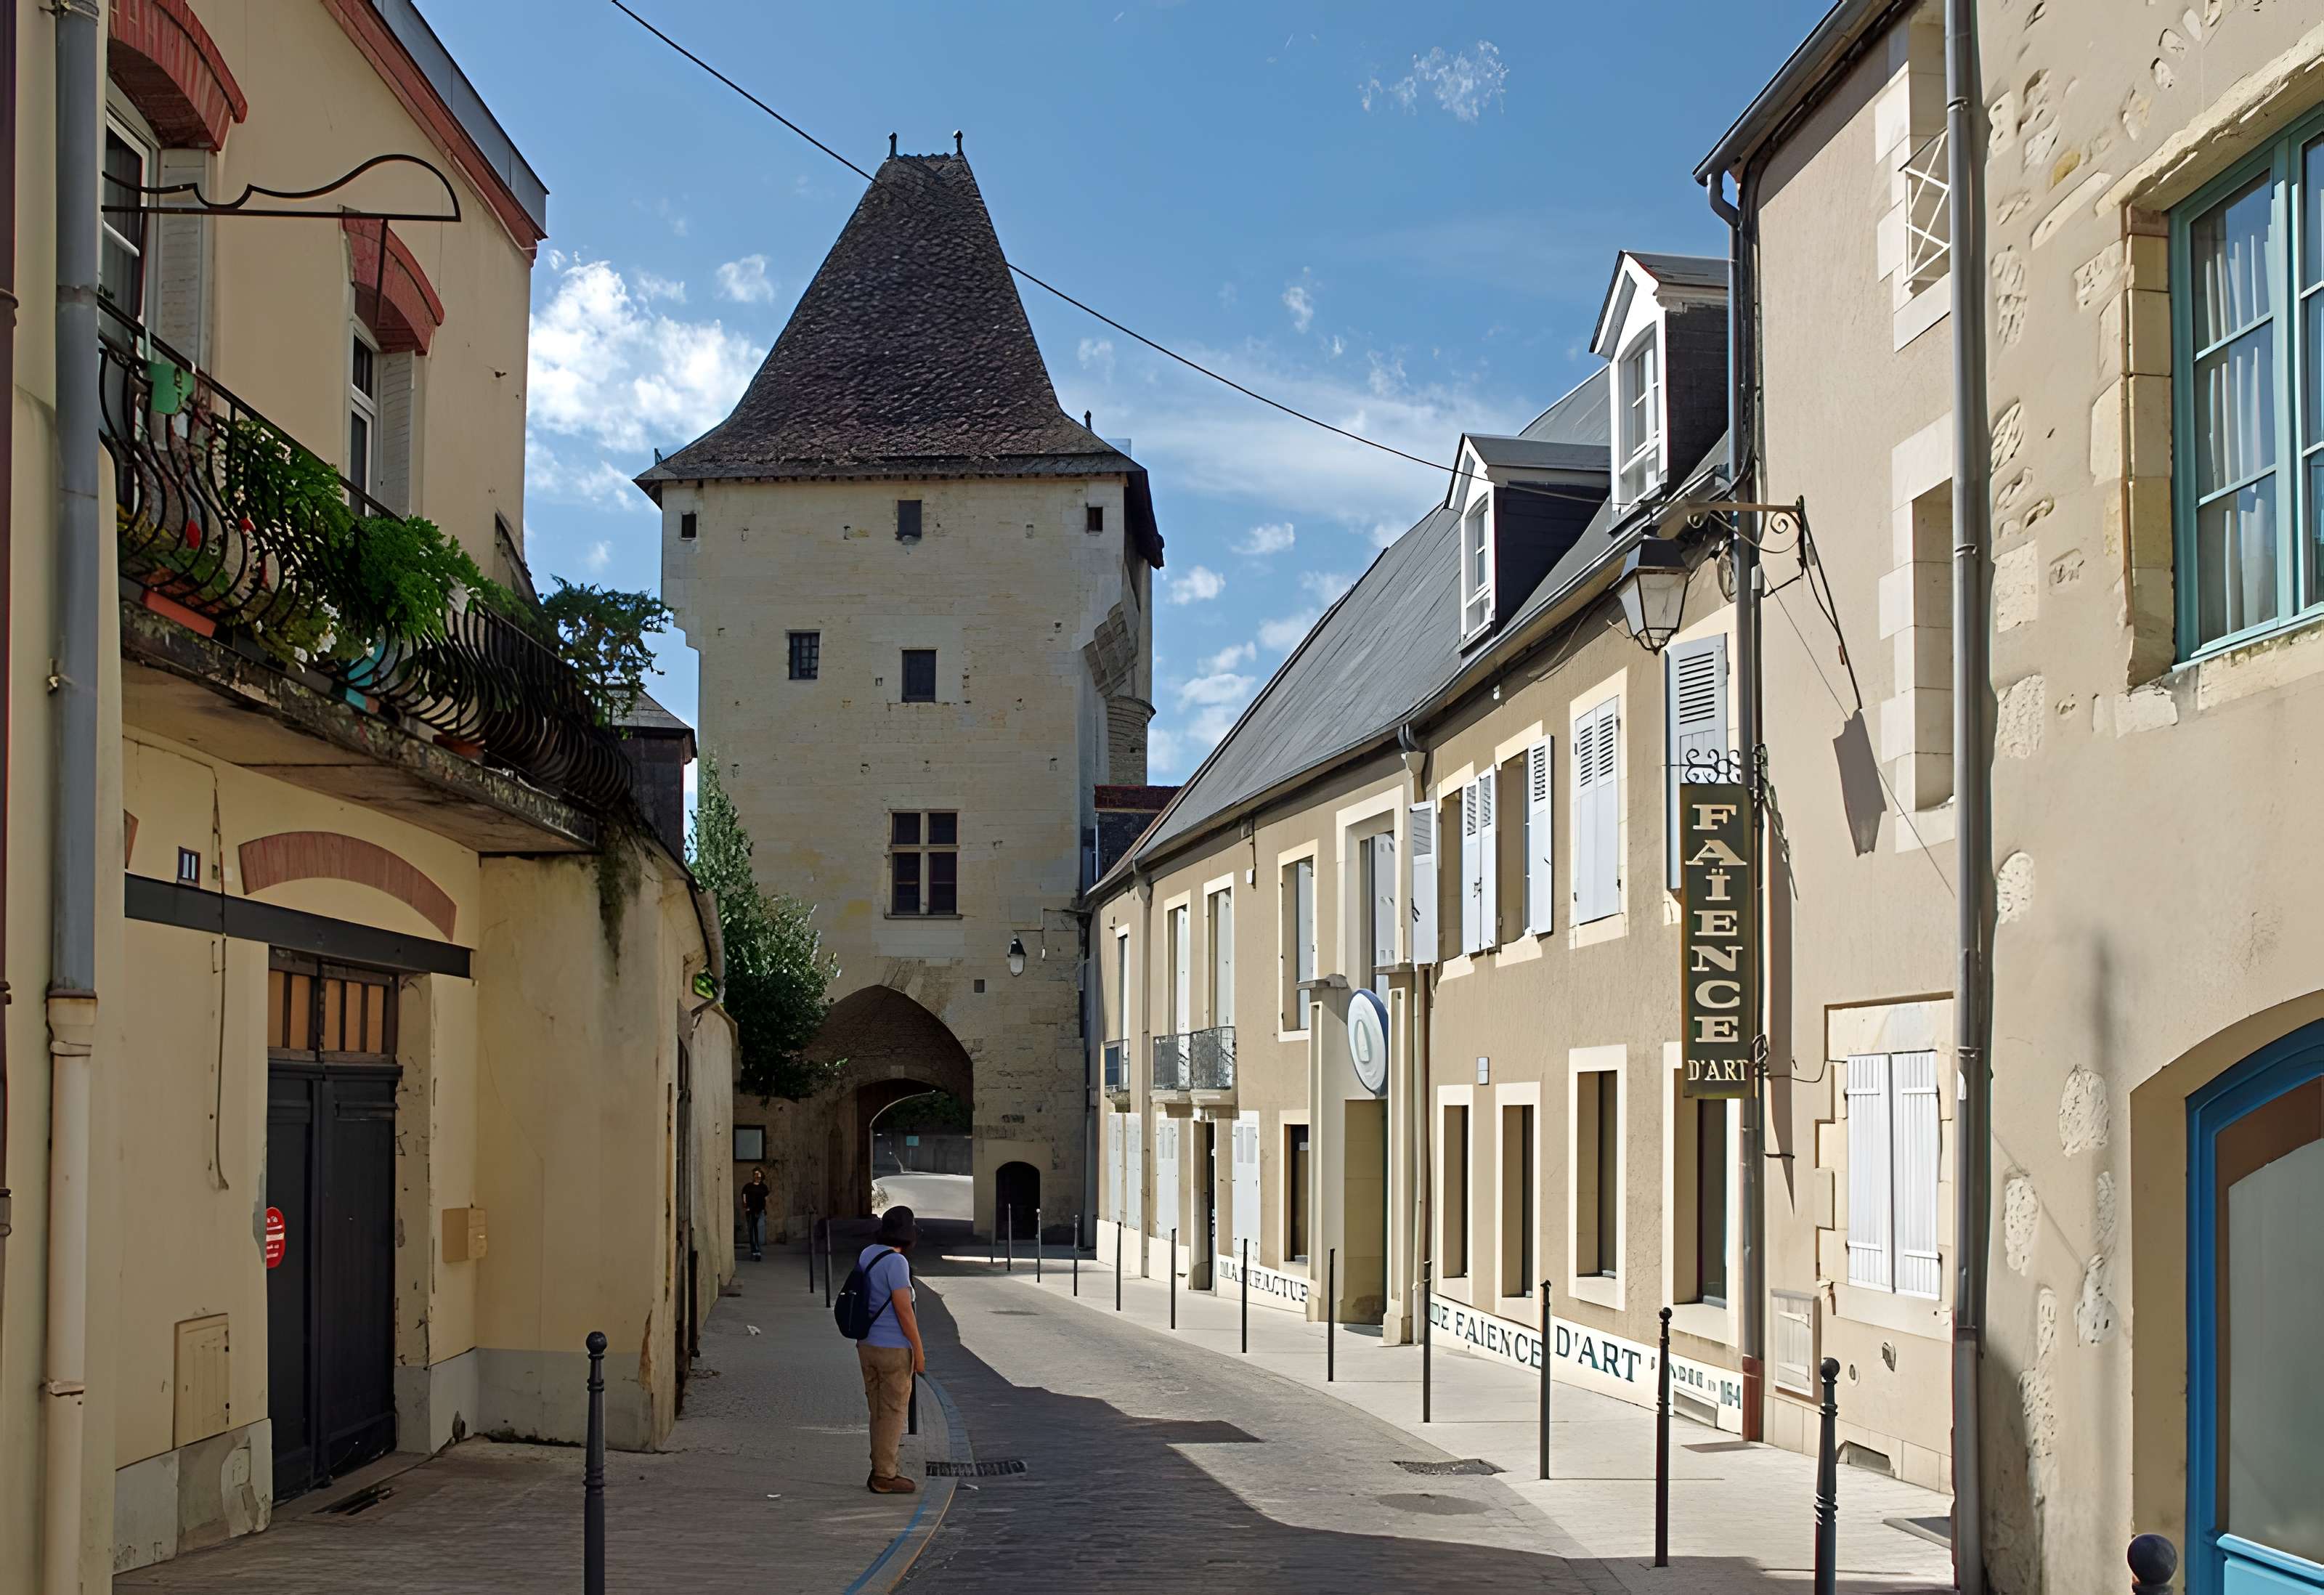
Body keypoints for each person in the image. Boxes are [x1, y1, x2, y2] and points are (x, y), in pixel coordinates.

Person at [857, 1205, 926, 1495]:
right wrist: (919, 1353)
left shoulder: (867, 1254)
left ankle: (878, 1467)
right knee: (893, 1412)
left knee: (877, 1410)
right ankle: (885, 1475)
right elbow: (904, 1311)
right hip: (893, 1349)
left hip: (866, 1344)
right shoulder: (897, 1264)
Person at [741, 1168, 771, 1261]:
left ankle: (758, 1249)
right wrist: (745, 1205)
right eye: (755, 1175)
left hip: (760, 1211)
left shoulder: (764, 1187)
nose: (757, 1177)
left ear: (761, 1176)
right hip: (750, 1211)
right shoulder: (748, 1186)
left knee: (759, 1229)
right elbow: (744, 1195)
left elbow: (766, 1199)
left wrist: (764, 1209)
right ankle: (754, 1250)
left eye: (759, 1175)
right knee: (752, 1230)